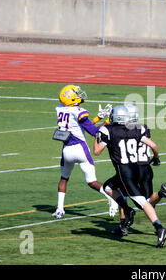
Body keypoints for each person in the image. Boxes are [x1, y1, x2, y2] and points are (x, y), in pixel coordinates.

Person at [93, 105, 166, 248]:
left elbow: (97, 151)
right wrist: (156, 157)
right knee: (108, 187)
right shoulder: (135, 129)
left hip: (125, 171)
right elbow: (153, 145)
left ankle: (160, 228)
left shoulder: (108, 130)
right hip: (136, 167)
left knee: (141, 201)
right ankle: (127, 210)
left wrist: (96, 136)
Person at [51, 84, 119, 219]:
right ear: (71, 98)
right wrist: (107, 121)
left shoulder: (60, 109)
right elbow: (94, 132)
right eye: (76, 93)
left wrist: (97, 118)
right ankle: (112, 198)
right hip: (80, 149)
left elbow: (80, 125)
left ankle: (59, 209)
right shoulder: (79, 112)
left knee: (64, 179)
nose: (79, 95)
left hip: (66, 150)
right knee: (92, 182)